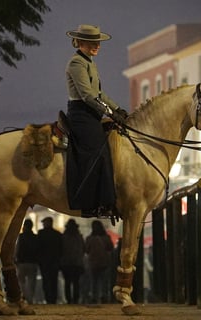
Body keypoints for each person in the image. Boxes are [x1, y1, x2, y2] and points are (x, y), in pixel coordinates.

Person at [65, 24, 128, 218]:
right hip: (81, 114)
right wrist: (109, 112)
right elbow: (87, 96)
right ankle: (94, 204)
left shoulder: (89, 62)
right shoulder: (76, 63)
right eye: (93, 42)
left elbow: (99, 93)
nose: (97, 45)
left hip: (92, 113)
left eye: (98, 42)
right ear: (81, 42)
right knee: (97, 151)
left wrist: (118, 109)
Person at [85, 220, 114, 303]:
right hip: (104, 262)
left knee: (94, 281)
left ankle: (94, 296)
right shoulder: (106, 238)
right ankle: (104, 296)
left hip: (93, 263)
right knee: (104, 281)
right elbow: (110, 248)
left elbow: (86, 250)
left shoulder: (89, 238)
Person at [37, 216, 63, 304]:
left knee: (46, 280)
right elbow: (61, 248)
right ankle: (53, 299)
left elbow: (38, 248)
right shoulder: (57, 234)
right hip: (55, 261)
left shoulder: (41, 233)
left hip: (44, 262)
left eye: (44, 222)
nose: (43, 224)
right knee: (54, 280)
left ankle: (48, 298)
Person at [15, 219, 39, 304]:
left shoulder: (21, 236)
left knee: (21, 281)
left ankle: (24, 296)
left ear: (24, 226)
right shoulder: (35, 237)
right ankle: (30, 299)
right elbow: (38, 250)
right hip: (33, 262)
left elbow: (17, 249)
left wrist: (15, 259)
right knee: (31, 282)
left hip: (22, 262)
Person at [60, 219, 85, 304]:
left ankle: (68, 299)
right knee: (76, 282)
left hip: (66, 263)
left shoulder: (63, 237)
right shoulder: (79, 237)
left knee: (67, 282)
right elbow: (83, 249)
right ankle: (76, 298)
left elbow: (61, 250)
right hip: (77, 263)